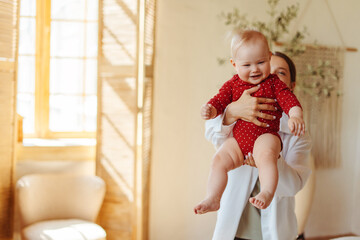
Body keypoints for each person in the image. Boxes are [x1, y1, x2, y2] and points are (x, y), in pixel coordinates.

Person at [194, 30, 305, 214]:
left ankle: (267, 192)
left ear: (269, 57)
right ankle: (213, 197)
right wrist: (212, 110)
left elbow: (290, 101)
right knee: (219, 160)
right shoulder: (232, 84)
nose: (255, 69)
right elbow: (219, 102)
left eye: (261, 62)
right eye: (247, 64)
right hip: (238, 141)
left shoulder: (274, 83)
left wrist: (295, 117)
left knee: (267, 154)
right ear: (234, 64)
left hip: (265, 136)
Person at [206, 51, 312, 240]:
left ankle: (266, 193)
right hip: (234, 229)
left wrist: (270, 157)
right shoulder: (235, 110)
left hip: (274, 232)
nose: (269, 76)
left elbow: (293, 186)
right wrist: (232, 112)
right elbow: (213, 135)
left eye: (280, 73)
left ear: (291, 86)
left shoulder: (296, 132)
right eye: (267, 70)